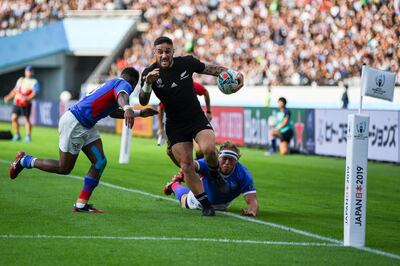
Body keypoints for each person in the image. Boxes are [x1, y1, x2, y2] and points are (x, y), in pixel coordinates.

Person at [9, 67, 158, 213]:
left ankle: (81, 205)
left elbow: (112, 112)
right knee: (64, 168)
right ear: (134, 82)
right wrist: (127, 107)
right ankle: (25, 160)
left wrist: (139, 113)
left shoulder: (113, 85)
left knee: (99, 162)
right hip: (75, 124)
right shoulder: (124, 83)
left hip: (86, 126)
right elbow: (122, 96)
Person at [139, 36, 244, 216]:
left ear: (173, 51)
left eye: (167, 51)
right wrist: (148, 83)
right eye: (160, 52)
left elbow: (212, 69)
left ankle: (214, 174)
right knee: (186, 165)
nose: (164, 55)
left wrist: (234, 74)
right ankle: (205, 204)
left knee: (210, 150)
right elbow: (143, 100)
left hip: (196, 118)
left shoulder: (186, 63)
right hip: (175, 125)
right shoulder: (149, 72)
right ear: (155, 53)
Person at [164, 141, 259, 216]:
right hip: (200, 199)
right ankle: (174, 185)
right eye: (224, 158)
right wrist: (183, 164)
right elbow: (192, 164)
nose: (227, 162)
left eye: (231, 159)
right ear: (218, 158)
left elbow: (252, 200)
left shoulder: (243, 173)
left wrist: (252, 211)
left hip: (223, 205)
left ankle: (178, 180)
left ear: (236, 160)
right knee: (184, 201)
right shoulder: (208, 163)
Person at [157, 81, 212, 166]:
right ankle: (187, 171)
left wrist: (208, 111)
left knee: (199, 150)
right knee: (170, 152)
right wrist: (161, 127)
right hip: (177, 126)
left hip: (193, 121)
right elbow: (160, 108)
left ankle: (204, 171)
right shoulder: (170, 89)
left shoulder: (192, 85)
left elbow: (205, 92)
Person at [3, 65, 40, 142]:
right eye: (27, 71)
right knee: (14, 118)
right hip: (17, 102)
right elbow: (15, 90)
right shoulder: (21, 80)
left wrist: (27, 99)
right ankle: (17, 135)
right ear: (25, 72)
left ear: (32, 72)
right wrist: (8, 97)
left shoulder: (34, 82)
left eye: (30, 71)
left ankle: (28, 136)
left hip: (26, 104)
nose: (28, 72)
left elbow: (35, 92)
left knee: (26, 119)